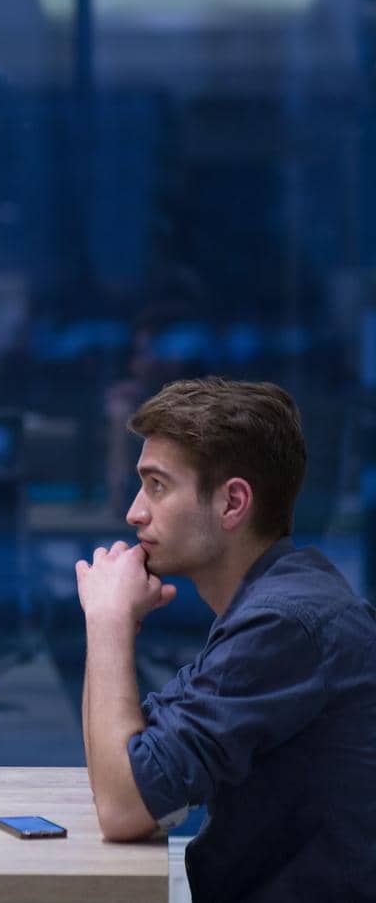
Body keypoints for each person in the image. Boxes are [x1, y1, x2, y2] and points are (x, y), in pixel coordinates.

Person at [75, 377, 376, 901]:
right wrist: (107, 620)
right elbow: (128, 761)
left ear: (233, 503)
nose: (134, 512)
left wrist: (107, 622)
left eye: (157, 485)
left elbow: (124, 806)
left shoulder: (284, 624)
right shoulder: (273, 605)